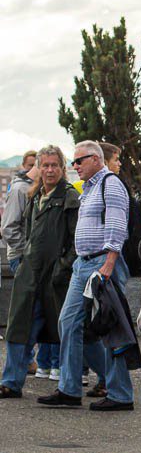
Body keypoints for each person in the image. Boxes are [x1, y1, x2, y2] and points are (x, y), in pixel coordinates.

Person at [38, 140, 134, 411]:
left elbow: (117, 225)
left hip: (102, 263)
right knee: (68, 322)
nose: (74, 166)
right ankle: (69, 390)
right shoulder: (90, 188)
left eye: (79, 161)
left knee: (111, 328)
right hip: (83, 265)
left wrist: (110, 263)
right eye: (74, 161)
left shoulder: (110, 184)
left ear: (96, 159)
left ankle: (121, 394)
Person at [1, 147, 79, 398]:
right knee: (18, 328)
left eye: (54, 165)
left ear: (62, 167)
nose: (49, 170)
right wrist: (24, 258)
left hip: (56, 276)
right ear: (38, 168)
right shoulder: (34, 195)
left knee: (71, 332)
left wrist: (63, 266)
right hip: (30, 272)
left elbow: (77, 240)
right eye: (44, 165)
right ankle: (11, 382)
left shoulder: (69, 197)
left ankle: (90, 383)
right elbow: (22, 230)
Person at [1, 151, 52, 376]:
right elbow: (8, 228)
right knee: (26, 314)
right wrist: (25, 254)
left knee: (34, 313)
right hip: (22, 258)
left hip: (31, 259)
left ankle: (28, 364)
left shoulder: (33, 189)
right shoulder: (20, 189)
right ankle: (20, 367)